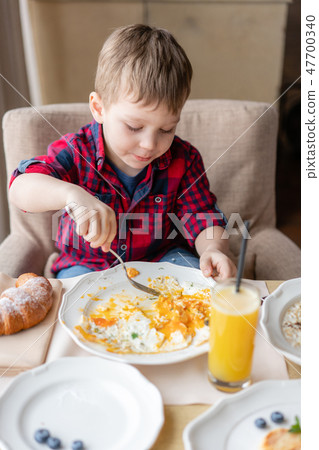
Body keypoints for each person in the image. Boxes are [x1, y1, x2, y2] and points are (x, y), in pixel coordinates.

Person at [9, 24, 236, 280]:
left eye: (166, 129)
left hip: (162, 259)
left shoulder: (184, 159)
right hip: (87, 266)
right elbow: (20, 187)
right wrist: (70, 194)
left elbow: (203, 218)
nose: (150, 144)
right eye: (134, 126)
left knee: (199, 282)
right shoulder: (76, 151)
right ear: (99, 108)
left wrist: (213, 250)